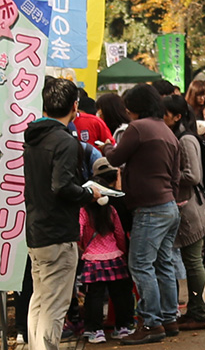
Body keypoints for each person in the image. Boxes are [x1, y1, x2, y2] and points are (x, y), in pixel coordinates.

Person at [23, 78, 101, 350]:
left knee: (40, 301)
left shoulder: (32, 138)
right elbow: (62, 186)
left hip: (35, 231)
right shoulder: (65, 142)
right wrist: (90, 194)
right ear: (75, 106)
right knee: (54, 307)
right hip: (57, 233)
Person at [101, 83, 181, 345]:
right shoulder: (167, 131)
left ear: (133, 108)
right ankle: (169, 319)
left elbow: (115, 158)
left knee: (140, 265)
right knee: (163, 264)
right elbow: (176, 175)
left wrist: (105, 149)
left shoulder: (138, 128)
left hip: (149, 208)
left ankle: (151, 323)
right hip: (169, 205)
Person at [162, 95, 205, 331]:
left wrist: (166, 176)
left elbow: (193, 176)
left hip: (190, 210)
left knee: (193, 263)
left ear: (177, 116)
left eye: (165, 114)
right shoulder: (181, 137)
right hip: (188, 207)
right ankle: (196, 310)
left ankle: (202, 312)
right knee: (192, 261)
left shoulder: (185, 140)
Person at [79, 187, 133, 343]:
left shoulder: (84, 211)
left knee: (95, 296)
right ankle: (122, 327)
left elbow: (80, 233)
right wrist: (122, 251)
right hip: (115, 257)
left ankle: (96, 331)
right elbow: (119, 233)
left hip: (93, 258)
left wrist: (83, 247)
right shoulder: (111, 210)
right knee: (118, 295)